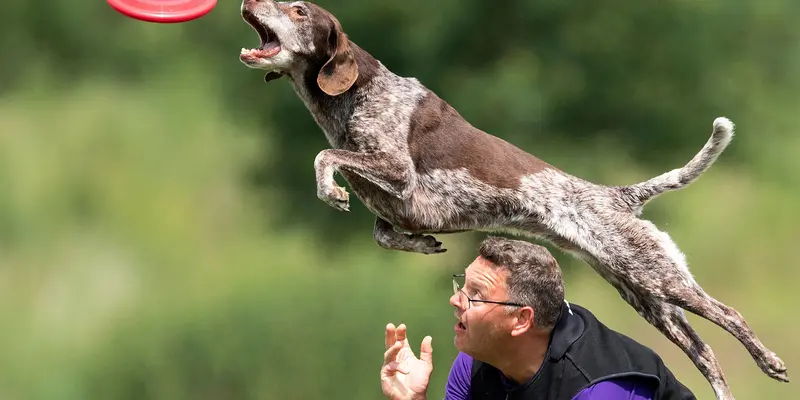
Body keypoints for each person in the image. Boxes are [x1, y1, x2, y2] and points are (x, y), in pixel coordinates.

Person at [380, 236, 696, 400]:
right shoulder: (477, 360)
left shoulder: (598, 388)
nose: (455, 300)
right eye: (461, 285)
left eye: (474, 294)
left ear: (521, 319)